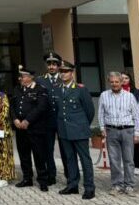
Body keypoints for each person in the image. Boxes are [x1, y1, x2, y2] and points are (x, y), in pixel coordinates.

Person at [55, 61, 96, 200]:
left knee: (85, 160)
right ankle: (72, 185)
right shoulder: (57, 88)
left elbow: (90, 111)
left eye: (66, 71)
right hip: (64, 130)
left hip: (79, 130)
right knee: (69, 159)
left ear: (72, 73)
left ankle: (89, 188)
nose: (63, 74)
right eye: (61, 71)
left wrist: (82, 125)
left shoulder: (80, 89)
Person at [98, 72, 139, 196]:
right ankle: (117, 185)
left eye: (117, 82)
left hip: (127, 130)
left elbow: (137, 115)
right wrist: (102, 128)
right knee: (114, 160)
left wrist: (137, 132)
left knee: (129, 160)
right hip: (111, 130)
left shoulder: (129, 96)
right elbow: (101, 113)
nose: (114, 84)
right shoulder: (104, 95)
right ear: (109, 82)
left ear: (122, 82)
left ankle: (129, 186)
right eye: (112, 82)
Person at [11, 67, 50, 191]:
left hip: (35, 128)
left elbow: (41, 107)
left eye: (22, 76)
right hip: (20, 129)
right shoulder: (17, 89)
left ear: (30, 77)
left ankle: (43, 180)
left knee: (39, 155)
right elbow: (12, 106)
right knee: (24, 155)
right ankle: (27, 178)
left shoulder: (40, 89)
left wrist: (28, 120)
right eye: (20, 76)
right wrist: (15, 119)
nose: (20, 78)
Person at [37, 52, 65, 185]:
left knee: (66, 150)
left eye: (54, 64)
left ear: (59, 66)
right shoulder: (40, 80)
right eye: (49, 64)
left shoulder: (64, 79)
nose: (52, 66)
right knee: (48, 149)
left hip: (62, 121)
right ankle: (51, 175)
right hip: (46, 121)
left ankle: (70, 176)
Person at [122, 71, 139, 175]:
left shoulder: (136, 92)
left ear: (130, 80)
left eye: (126, 78)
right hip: (123, 122)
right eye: (122, 78)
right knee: (125, 145)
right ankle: (127, 165)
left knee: (136, 145)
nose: (124, 80)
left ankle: (138, 165)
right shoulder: (116, 91)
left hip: (135, 120)